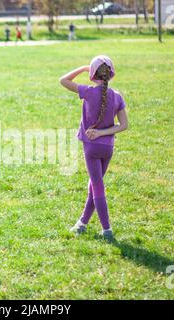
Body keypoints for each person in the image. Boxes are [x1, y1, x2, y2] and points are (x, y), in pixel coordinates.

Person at [59, 55, 128, 241]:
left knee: (97, 186)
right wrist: (103, 133)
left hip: (91, 148)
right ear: (111, 75)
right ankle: (82, 223)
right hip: (108, 149)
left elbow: (63, 80)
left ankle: (107, 229)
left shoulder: (88, 92)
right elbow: (123, 125)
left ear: (92, 75)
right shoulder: (118, 96)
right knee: (94, 185)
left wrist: (82, 69)